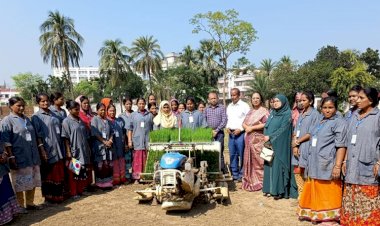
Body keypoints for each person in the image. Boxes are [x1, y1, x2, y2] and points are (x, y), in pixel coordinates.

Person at [297, 97, 347, 224]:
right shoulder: (320, 121)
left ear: (336, 108)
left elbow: (341, 145)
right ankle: (315, 214)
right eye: (325, 108)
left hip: (327, 162)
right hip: (314, 161)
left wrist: (337, 166)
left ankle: (329, 216)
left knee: (327, 190)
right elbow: (311, 135)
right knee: (315, 189)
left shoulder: (339, 122)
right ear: (321, 108)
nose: (327, 110)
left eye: (331, 108)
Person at [341, 88, 380, 225]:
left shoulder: (378, 117)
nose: (356, 100)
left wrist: (379, 162)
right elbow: (347, 140)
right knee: (351, 202)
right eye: (356, 97)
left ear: (371, 100)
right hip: (351, 166)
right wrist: (344, 160)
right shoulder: (354, 116)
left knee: (367, 203)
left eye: (360, 98)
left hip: (368, 167)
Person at [0, 97, 42, 210]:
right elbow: (6, 141)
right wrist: (12, 156)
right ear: (11, 106)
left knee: (31, 179)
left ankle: (30, 203)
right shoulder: (7, 120)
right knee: (19, 182)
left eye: (23, 105)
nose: (22, 108)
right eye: (18, 105)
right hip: (19, 156)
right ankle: (20, 205)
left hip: (32, 155)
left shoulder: (27, 119)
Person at [31, 93, 65, 204]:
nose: (45, 103)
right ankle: (49, 198)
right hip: (47, 149)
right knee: (48, 174)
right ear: (38, 103)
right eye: (42, 101)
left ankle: (58, 196)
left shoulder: (54, 115)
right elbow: (38, 136)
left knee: (58, 173)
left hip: (58, 148)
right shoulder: (36, 117)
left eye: (46, 101)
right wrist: (42, 150)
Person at [262, 94, 298, 200]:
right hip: (268, 143)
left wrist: (270, 137)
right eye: (274, 101)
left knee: (277, 166)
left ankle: (278, 191)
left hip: (279, 144)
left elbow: (283, 130)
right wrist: (266, 137)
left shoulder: (287, 114)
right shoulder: (273, 113)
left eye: (278, 101)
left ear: (283, 102)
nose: (275, 103)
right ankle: (268, 188)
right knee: (268, 165)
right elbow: (267, 125)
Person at [61, 100, 91, 198]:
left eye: (78, 109)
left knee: (81, 171)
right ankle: (74, 192)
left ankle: (80, 190)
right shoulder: (66, 121)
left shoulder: (80, 120)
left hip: (83, 150)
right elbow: (65, 138)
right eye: (76, 109)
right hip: (74, 151)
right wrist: (68, 151)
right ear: (69, 110)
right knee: (74, 173)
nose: (78, 111)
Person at [291, 91, 319, 196]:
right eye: (300, 100)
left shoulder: (315, 114)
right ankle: (301, 196)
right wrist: (295, 144)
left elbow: (311, 133)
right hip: (297, 146)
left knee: (305, 172)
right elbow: (296, 130)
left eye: (304, 100)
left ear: (311, 101)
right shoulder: (301, 114)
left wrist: (297, 142)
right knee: (297, 172)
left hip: (307, 146)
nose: (301, 102)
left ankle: (307, 198)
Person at [241, 92, 269, 191]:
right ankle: (250, 180)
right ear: (251, 100)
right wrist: (246, 127)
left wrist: (252, 128)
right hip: (249, 140)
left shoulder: (264, 111)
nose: (255, 100)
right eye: (253, 98)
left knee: (260, 162)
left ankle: (261, 181)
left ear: (261, 100)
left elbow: (266, 124)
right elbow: (243, 123)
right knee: (250, 161)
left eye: (257, 98)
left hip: (258, 141)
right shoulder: (250, 111)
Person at [127, 98, 153, 183]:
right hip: (137, 141)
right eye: (140, 103)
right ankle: (137, 178)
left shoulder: (150, 115)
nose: (141, 105)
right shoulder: (133, 115)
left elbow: (153, 129)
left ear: (145, 104)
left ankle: (146, 177)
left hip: (147, 140)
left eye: (143, 103)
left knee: (147, 159)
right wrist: (130, 140)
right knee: (137, 160)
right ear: (137, 104)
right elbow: (129, 129)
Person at [226, 88, 250, 182]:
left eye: (234, 95)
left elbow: (248, 120)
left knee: (242, 154)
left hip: (241, 133)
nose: (233, 97)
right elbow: (229, 119)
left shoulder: (244, 106)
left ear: (239, 95)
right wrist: (227, 127)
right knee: (232, 154)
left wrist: (240, 129)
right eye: (231, 95)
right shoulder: (229, 106)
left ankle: (242, 174)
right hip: (231, 134)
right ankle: (235, 175)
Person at [91, 103, 114, 189]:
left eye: (104, 110)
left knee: (108, 165)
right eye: (101, 110)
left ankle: (108, 183)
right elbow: (95, 133)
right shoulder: (94, 120)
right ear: (97, 111)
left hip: (108, 146)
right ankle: (101, 184)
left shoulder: (107, 120)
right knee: (101, 165)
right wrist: (104, 142)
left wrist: (110, 140)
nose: (103, 111)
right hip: (99, 147)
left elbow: (112, 132)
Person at [0, 135, 23, 223]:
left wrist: (5, 154)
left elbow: (3, 145)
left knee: (6, 190)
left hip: (2, 168)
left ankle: (9, 215)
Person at [204, 92, 227, 173]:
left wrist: (216, 130)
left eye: (214, 98)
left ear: (217, 98)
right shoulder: (206, 109)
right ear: (209, 100)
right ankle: (211, 170)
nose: (213, 100)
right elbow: (204, 121)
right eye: (211, 98)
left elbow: (224, 121)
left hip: (219, 133)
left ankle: (222, 170)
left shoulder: (222, 108)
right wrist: (210, 131)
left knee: (219, 151)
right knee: (210, 151)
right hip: (209, 133)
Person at [107, 104, 126, 185]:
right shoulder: (106, 121)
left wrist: (124, 143)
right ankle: (115, 180)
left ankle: (122, 178)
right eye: (110, 111)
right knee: (114, 161)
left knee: (121, 160)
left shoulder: (120, 121)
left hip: (120, 144)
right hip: (112, 145)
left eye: (114, 110)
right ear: (107, 111)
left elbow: (124, 133)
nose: (112, 112)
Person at [119, 97, 133, 183]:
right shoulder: (121, 116)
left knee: (134, 158)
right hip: (125, 140)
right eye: (127, 104)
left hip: (134, 139)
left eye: (130, 104)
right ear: (124, 105)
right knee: (127, 159)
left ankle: (134, 175)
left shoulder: (135, 114)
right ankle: (127, 176)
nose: (128, 105)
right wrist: (125, 142)